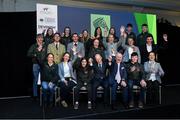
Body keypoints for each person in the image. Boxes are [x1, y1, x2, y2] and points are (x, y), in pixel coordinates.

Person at [27, 34, 47, 99]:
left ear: (43, 39)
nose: (40, 39)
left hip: (43, 64)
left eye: (41, 38)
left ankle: (43, 94)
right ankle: (35, 95)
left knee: (43, 79)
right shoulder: (33, 46)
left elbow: (47, 54)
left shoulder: (45, 46)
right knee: (35, 79)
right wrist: (36, 52)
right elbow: (28, 54)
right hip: (36, 64)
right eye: (39, 38)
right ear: (36, 39)